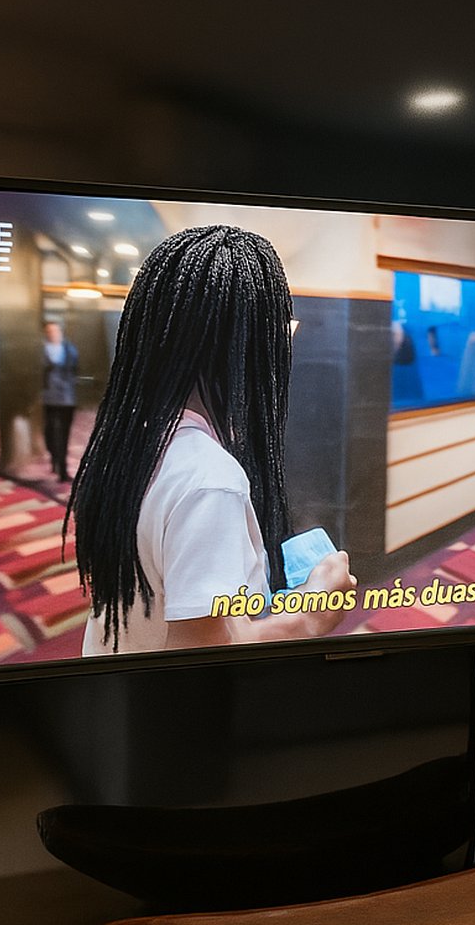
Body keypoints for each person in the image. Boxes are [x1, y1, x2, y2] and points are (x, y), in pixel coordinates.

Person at [68, 225, 355, 656]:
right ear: (252, 350)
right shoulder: (210, 480)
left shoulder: (132, 445)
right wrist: (311, 616)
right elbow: (198, 663)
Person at [40, 320, 79, 481]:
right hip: (48, 397)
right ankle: (54, 456)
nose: (53, 334)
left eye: (55, 331)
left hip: (67, 398)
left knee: (64, 434)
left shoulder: (70, 350)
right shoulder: (41, 351)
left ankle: (62, 468)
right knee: (49, 432)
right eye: (49, 331)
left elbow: (76, 370)